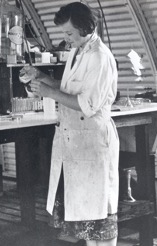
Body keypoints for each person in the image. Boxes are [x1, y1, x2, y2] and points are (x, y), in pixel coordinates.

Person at [20, 2, 119, 246]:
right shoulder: (79, 49)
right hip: (76, 141)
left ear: (86, 28)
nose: (66, 38)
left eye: (69, 33)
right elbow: (69, 88)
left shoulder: (99, 56)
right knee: (86, 222)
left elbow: (87, 104)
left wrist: (48, 92)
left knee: (101, 223)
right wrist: (41, 78)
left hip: (93, 141)